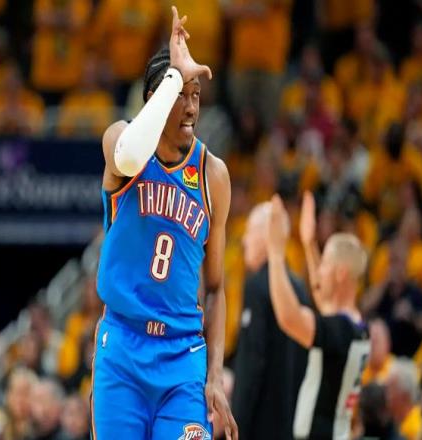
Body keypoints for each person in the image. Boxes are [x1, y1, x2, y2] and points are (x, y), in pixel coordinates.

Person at [94, 6, 237, 440]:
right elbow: (129, 156)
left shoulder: (213, 174)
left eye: (196, 94)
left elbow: (216, 288)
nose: (192, 107)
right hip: (123, 347)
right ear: (156, 98)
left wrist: (215, 376)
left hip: (182, 355)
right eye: (181, 94)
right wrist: (174, 75)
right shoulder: (120, 141)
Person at [266, 191, 370, 439]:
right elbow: (324, 299)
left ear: (341, 273)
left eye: (324, 264)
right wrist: (308, 243)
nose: (319, 271)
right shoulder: (357, 327)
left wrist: (276, 253)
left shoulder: (340, 330)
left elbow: (289, 318)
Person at [231, 203, 309, 440]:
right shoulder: (299, 288)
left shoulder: (257, 287)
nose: (244, 240)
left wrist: (237, 425)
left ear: (267, 236)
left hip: (260, 425)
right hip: (292, 425)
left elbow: (251, 363)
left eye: (250, 231)